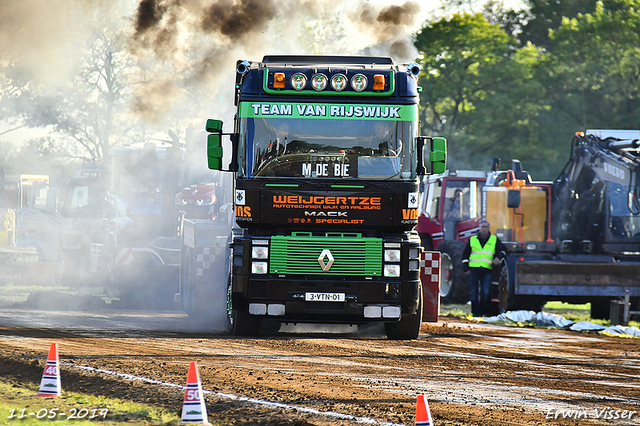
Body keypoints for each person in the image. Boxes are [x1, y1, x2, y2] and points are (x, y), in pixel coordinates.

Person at [462, 220, 507, 317]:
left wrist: (498, 257)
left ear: (489, 228)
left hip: (486, 270)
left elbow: (503, 250)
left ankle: (482, 312)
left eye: (486, 227)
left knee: (485, 292)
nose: (484, 229)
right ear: (479, 228)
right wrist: (466, 268)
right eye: (482, 227)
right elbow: (465, 254)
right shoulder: (472, 239)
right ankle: (475, 313)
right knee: (473, 293)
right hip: (474, 270)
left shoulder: (494, 240)